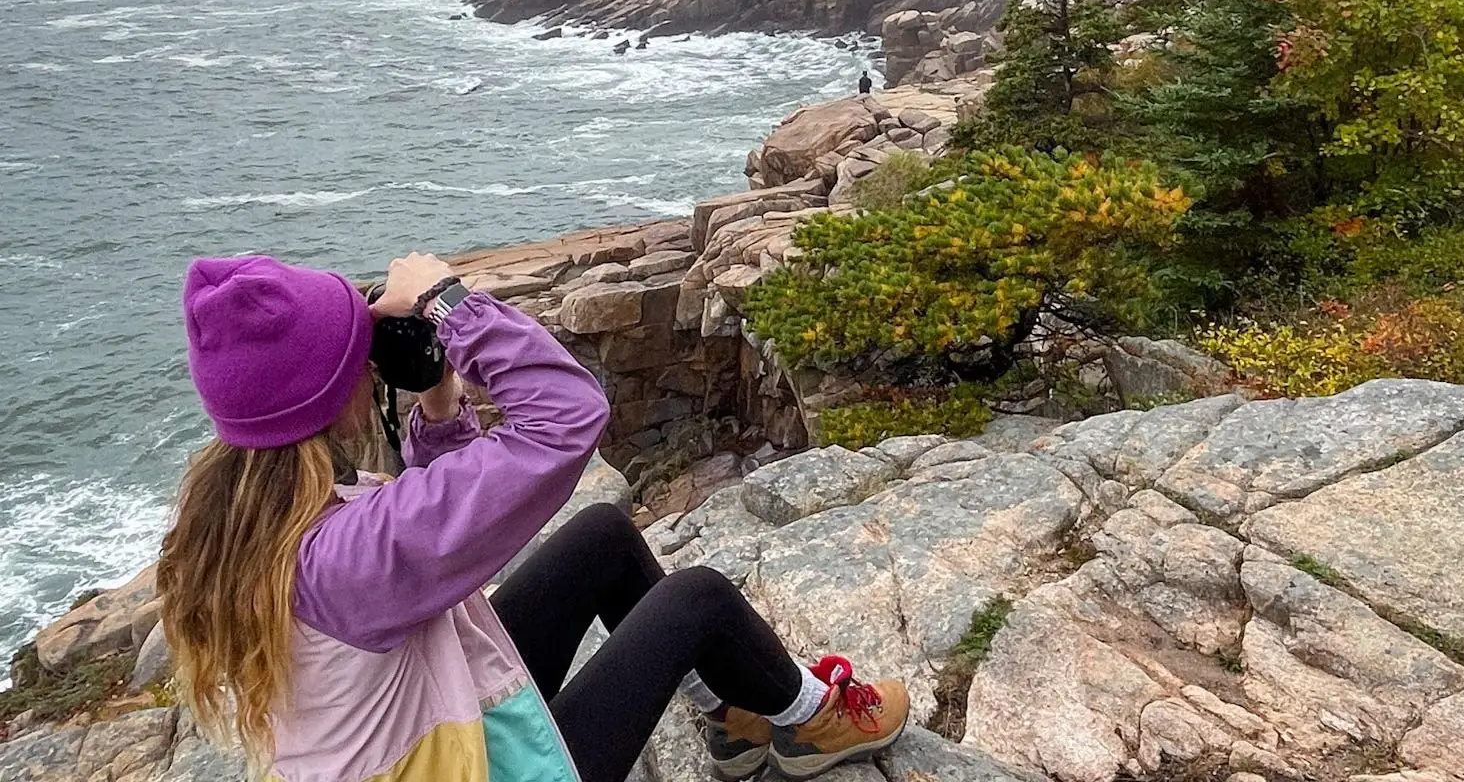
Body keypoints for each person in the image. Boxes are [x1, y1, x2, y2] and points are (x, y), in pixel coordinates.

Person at [158, 251, 908, 782]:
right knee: (698, 599)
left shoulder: (243, 513)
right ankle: (814, 722)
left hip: (427, 728)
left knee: (603, 538)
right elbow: (567, 415)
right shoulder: (343, 562)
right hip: (479, 771)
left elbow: (417, 547)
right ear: (326, 395)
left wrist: (439, 402)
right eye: (357, 352)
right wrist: (448, 304)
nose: (370, 361)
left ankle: (736, 716)